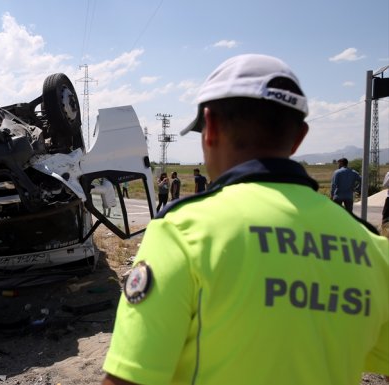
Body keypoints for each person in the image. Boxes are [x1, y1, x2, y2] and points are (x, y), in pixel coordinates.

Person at [101, 54, 389, 385]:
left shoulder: (182, 231)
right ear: (298, 138)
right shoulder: (373, 247)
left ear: (210, 127)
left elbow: (128, 379)